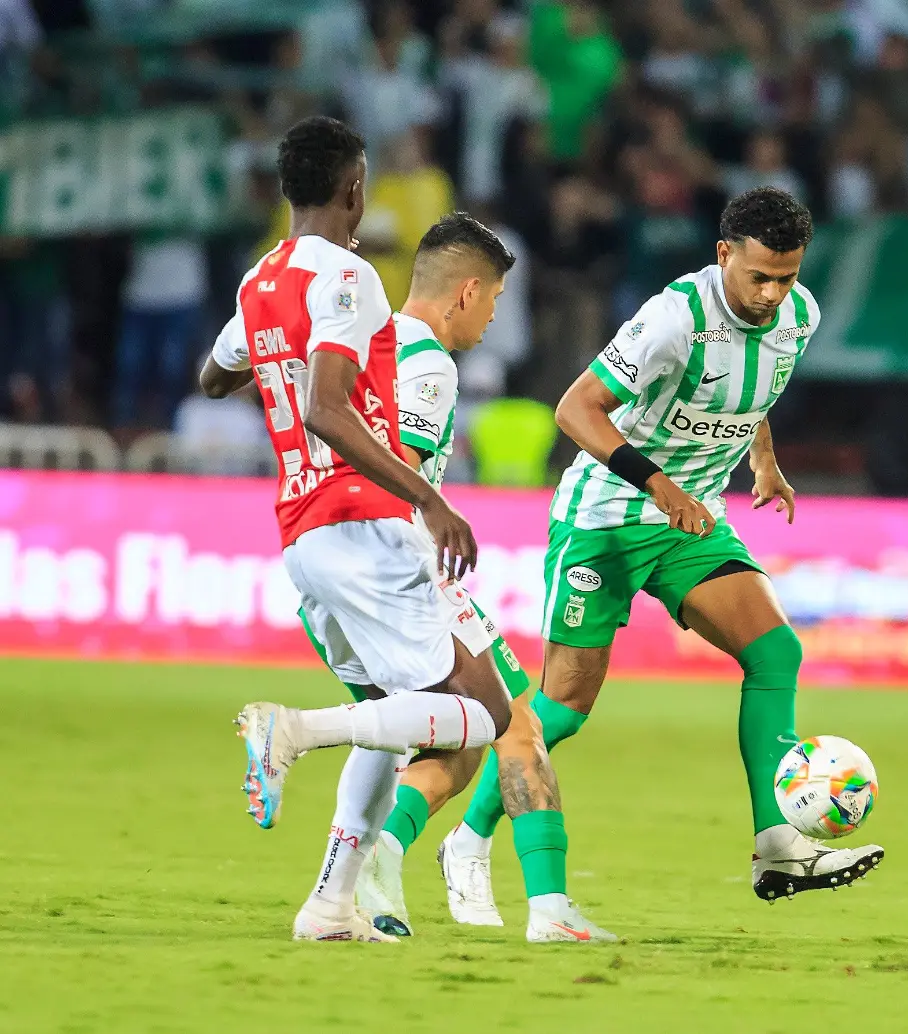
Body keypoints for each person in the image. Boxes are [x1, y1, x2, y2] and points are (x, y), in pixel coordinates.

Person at [445, 187, 885, 914]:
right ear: (723, 255)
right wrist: (658, 488)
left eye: (788, 277)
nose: (774, 294)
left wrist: (762, 460)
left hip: (694, 520)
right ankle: (466, 839)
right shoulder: (673, 318)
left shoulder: (798, 316)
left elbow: (758, 389)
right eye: (760, 277)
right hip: (608, 516)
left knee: (776, 652)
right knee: (564, 704)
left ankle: (778, 844)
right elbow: (574, 408)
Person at [199, 117, 541, 944]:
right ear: (356, 188)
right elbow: (327, 407)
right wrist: (428, 498)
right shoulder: (350, 276)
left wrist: (274, 361)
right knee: (482, 716)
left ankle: (329, 904)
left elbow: (214, 377)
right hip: (365, 522)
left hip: (302, 537)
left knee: (399, 723)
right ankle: (295, 729)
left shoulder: (260, 280)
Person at [298, 212, 614, 944]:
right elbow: (401, 467)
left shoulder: (365, 346)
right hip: (403, 578)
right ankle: (550, 912)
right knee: (519, 730)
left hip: (323, 565)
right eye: (497, 300)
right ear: (467, 292)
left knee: (450, 744)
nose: (495, 316)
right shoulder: (430, 363)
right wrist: (433, 511)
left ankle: (341, 891)